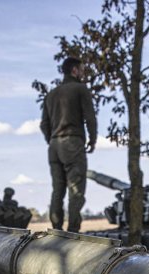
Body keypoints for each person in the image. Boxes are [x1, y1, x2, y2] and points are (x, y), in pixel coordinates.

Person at [39, 56, 97, 233]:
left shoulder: (51, 94)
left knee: (58, 189)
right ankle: (72, 232)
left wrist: (52, 139)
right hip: (72, 142)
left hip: (54, 146)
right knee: (76, 189)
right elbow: (89, 117)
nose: (83, 73)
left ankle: (56, 229)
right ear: (74, 70)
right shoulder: (80, 89)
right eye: (82, 69)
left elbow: (44, 124)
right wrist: (92, 139)